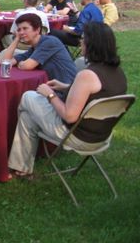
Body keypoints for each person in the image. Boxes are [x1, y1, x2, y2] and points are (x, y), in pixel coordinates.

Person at [8, 22, 127, 177]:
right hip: (102, 135)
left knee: (28, 97)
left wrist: (50, 94)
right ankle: (20, 168)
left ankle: (11, 150)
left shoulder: (87, 75)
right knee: (27, 116)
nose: (80, 42)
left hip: (77, 136)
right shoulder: (118, 72)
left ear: (91, 44)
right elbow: (95, 92)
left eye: (83, 39)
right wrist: (66, 87)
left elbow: (69, 116)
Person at [2, 13, 77, 99]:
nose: (21, 32)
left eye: (25, 28)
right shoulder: (34, 48)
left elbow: (27, 66)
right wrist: (17, 39)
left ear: (37, 30)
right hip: (52, 90)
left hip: (67, 94)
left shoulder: (49, 42)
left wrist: (21, 64)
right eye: (19, 30)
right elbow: (5, 62)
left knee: (24, 97)